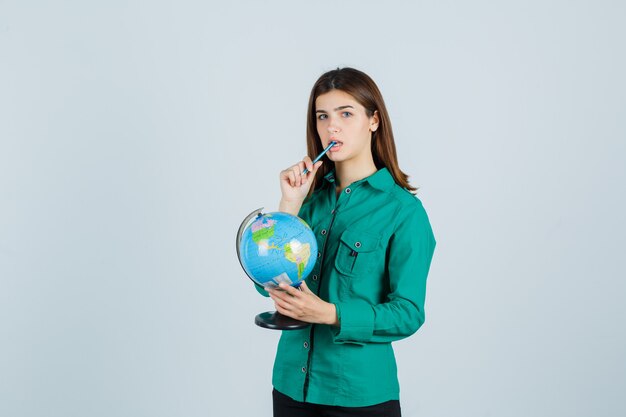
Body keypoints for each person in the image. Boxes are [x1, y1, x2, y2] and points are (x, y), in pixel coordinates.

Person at [256, 67, 436, 417]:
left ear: (374, 121)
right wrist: (289, 205)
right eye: (322, 116)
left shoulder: (404, 212)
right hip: (291, 388)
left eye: (346, 114)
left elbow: (409, 313)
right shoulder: (308, 202)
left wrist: (330, 314)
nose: (331, 127)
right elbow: (269, 286)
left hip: (359, 397)